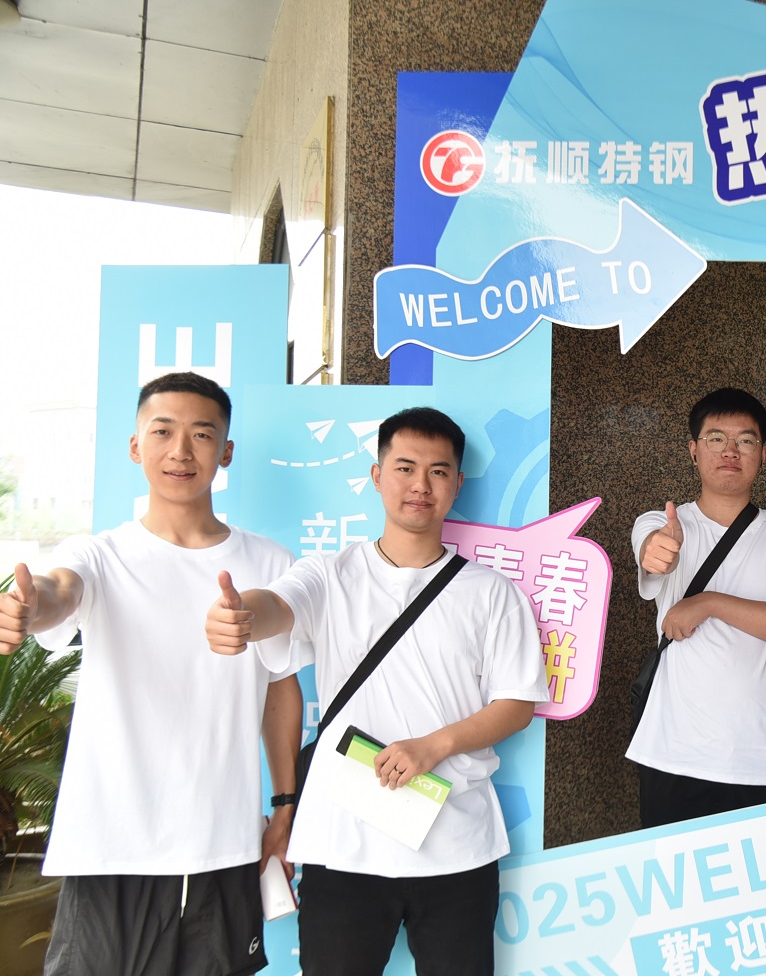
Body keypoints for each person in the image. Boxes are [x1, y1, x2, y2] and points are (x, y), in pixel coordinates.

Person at [204, 406, 547, 976]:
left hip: (457, 846)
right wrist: (244, 616)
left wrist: (432, 747)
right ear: (376, 475)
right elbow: (278, 605)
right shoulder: (329, 574)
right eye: (405, 467)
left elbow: (516, 705)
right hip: (343, 845)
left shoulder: (492, 592)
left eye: (438, 471)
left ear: (458, 484)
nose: (420, 485)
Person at [0, 372, 300, 976]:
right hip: (111, 847)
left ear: (226, 451)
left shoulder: (269, 560)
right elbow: (60, 590)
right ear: (136, 446)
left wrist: (285, 805)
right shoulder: (99, 554)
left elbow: (279, 690)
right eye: (162, 432)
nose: (181, 451)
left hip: (222, 843)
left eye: (201, 434)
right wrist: (30, 609)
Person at [628, 388, 766, 827]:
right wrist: (658, 552)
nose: (730, 451)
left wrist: (710, 603)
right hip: (671, 753)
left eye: (745, 440)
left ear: (764, 454)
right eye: (716, 438)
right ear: (693, 450)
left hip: (759, 757)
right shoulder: (663, 523)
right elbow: (653, 550)